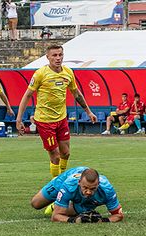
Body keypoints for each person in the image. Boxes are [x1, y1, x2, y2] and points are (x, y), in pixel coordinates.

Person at [16, 44, 97, 178]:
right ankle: (55, 186)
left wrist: (88, 112)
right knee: (55, 156)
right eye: (54, 55)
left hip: (61, 119)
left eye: (60, 55)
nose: (58, 58)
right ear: (47, 57)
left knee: (66, 153)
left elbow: (76, 93)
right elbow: (27, 95)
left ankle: (63, 178)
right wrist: (19, 119)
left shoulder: (68, 72)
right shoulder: (40, 74)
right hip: (45, 120)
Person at [31, 166, 124, 223]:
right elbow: (54, 217)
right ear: (79, 182)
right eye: (85, 188)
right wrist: (74, 220)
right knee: (35, 203)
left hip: (83, 199)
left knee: (81, 212)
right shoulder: (68, 185)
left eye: (92, 189)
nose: (88, 192)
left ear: (98, 184)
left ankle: (62, 203)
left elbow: (119, 215)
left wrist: (103, 221)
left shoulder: (107, 190)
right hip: (64, 181)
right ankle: (58, 198)